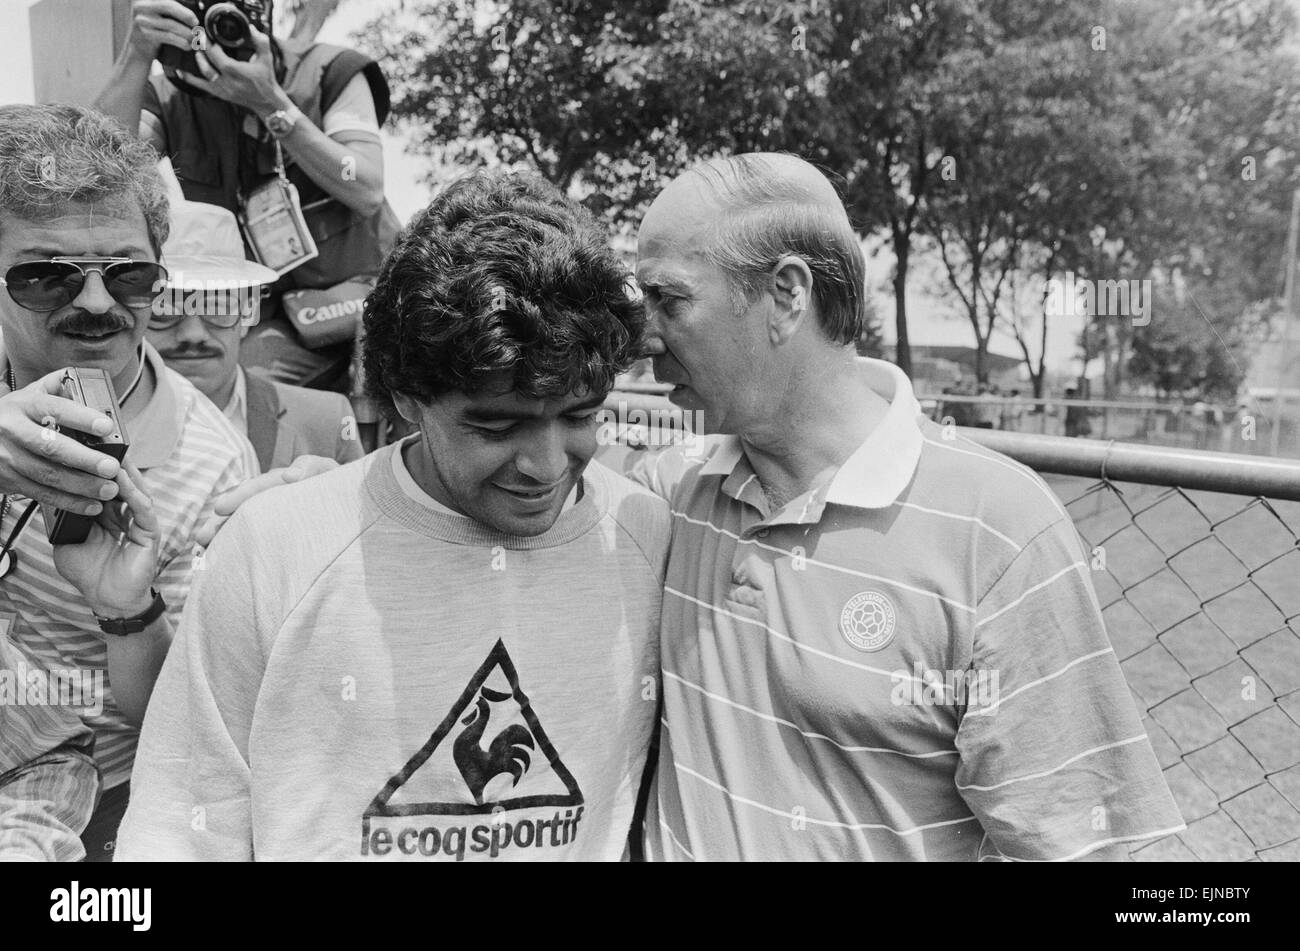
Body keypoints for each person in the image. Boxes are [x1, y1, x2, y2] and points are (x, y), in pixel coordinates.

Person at [628, 153, 1183, 861]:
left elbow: (1095, 850)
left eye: (668, 301)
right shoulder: (672, 492)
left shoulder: (995, 530)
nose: (644, 337)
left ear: (786, 294)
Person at [115, 171, 669, 861]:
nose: (548, 465)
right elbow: (182, 818)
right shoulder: (275, 547)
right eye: (496, 426)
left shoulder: (651, 542)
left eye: (580, 416)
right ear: (407, 397)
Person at [0, 103, 256, 861]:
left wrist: (127, 610)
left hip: (90, 814)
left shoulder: (213, 464)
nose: (96, 302)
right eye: (47, 276)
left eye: (129, 274)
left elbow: (181, 721)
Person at [95, 0, 398, 392]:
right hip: (261, 311)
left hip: (367, 293)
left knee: (244, 382)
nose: (219, 31)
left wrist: (269, 103)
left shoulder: (332, 71)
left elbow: (367, 187)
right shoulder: (166, 95)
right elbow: (100, 179)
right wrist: (135, 55)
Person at [150, 199, 364, 471]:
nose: (193, 333)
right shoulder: (103, 422)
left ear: (247, 313)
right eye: (165, 308)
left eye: (218, 306)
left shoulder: (327, 422)